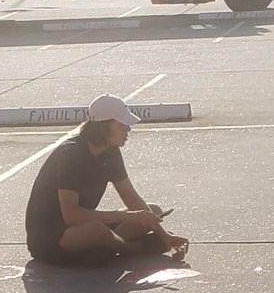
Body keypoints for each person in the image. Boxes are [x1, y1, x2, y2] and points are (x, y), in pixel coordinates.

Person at [24, 94, 188, 266]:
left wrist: (164, 236)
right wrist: (126, 216)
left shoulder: (111, 151)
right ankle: (131, 249)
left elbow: (132, 199)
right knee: (97, 230)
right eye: (123, 124)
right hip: (50, 238)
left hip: (82, 227)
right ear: (105, 126)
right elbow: (71, 216)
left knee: (152, 211)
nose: (129, 129)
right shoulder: (71, 155)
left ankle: (103, 250)